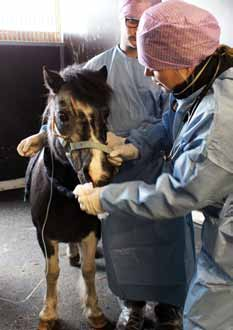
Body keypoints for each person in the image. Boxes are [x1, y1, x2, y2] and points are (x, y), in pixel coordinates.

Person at [17, 1, 195, 329]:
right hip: (111, 167)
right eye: (129, 19)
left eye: (142, 22)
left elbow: (173, 119)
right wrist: (42, 135)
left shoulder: (164, 67)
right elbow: (62, 111)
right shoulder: (96, 67)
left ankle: (169, 304)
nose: (134, 28)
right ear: (120, 19)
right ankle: (132, 302)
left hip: (157, 164)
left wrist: (134, 144)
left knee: (166, 235)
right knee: (122, 238)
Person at [76, 1, 233, 329]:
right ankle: (133, 303)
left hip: (221, 238)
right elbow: (171, 120)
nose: (147, 73)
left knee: (204, 317)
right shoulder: (202, 82)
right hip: (168, 192)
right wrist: (134, 146)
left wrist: (104, 198)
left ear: (183, 63)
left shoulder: (219, 118)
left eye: (154, 65)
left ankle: (170, 306)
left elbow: (178, 195)